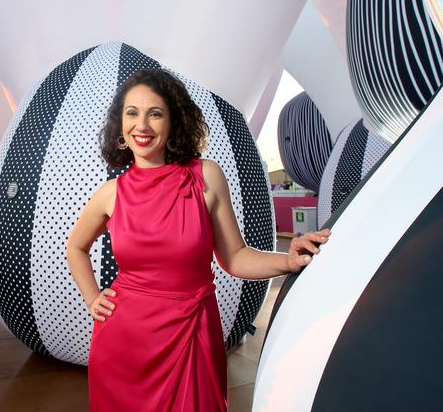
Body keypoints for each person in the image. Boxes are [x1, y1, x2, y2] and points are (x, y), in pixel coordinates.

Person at [66, 68, 331, 411]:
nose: (142, 125)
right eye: (132, 113)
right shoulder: (111, 194)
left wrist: (287, 260)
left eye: (155, 113)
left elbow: (234, 257)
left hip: (190, 336)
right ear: (120, 126)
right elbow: (75, 246)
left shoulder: (206, 176)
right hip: (123, 342)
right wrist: (92, 297)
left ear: (174, 121)